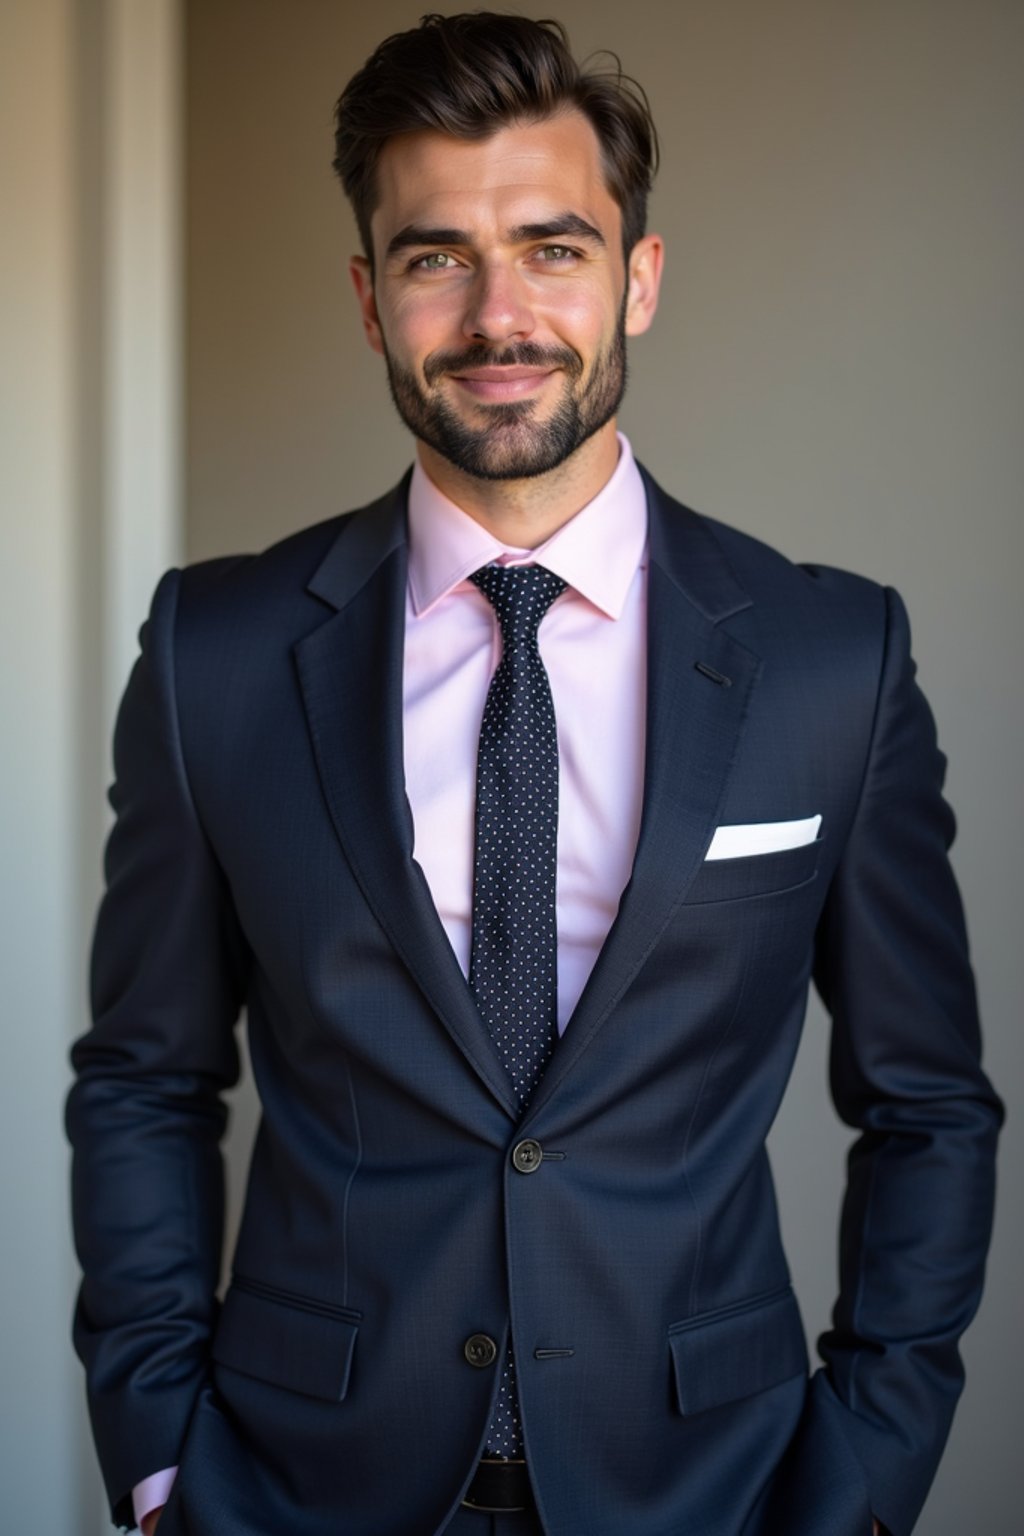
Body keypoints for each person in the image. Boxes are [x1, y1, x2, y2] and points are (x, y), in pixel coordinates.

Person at [67, 13, 1002, 1536]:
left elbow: (930, 1107)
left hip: (716, 1484)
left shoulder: (839, 660)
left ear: (638, 275)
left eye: (553, 247)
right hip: (300, 1489)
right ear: (371, 301)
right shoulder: (212, 654)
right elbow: (145, 1081)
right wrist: (163, 1457)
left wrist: (869, 1476)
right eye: (438, 257)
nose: (500, 313)